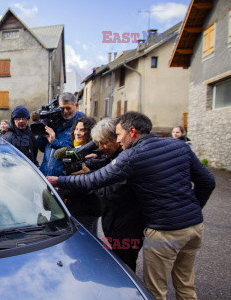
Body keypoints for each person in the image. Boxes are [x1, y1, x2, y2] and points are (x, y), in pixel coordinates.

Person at [47, 111, 216, 300]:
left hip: (164, 231)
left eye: (119, 135)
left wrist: (57, 180)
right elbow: (208, 182)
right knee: (185, 285)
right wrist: (191, 210)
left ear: (132, 131)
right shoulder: (178, 145)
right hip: (194, 228)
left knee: (155, 292)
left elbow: (93, 181)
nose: (118, 141)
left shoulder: (133, 155)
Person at [66, 118, 145, 271]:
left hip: (126, 227)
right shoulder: (112, 157)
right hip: (114, 225)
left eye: (104, 143)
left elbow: (112, 192)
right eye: (98, 144)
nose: (100, 148)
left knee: (124, 268)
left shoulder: (125, 161)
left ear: (116, 139)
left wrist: (91, 176)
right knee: (115, 263)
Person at [54, 117, 101, 235]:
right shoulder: (76, 150)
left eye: (82, 130)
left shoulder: (94, 153)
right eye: (76, 129)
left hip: (85, 207)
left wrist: (62, 186)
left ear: (90, 133)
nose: (77, 133)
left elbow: (91, 182)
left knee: (86, 241)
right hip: (76, 204)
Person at [37, 92, 85, 176]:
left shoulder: (81, 124)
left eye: (68, 108)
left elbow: (76, 149)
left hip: (63, 178)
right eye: (62, 109)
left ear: (76, 105)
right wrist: (42, 134)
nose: (65, 112)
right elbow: (41, 148)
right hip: (45, 174)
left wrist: (54, 141)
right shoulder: (54, 121)